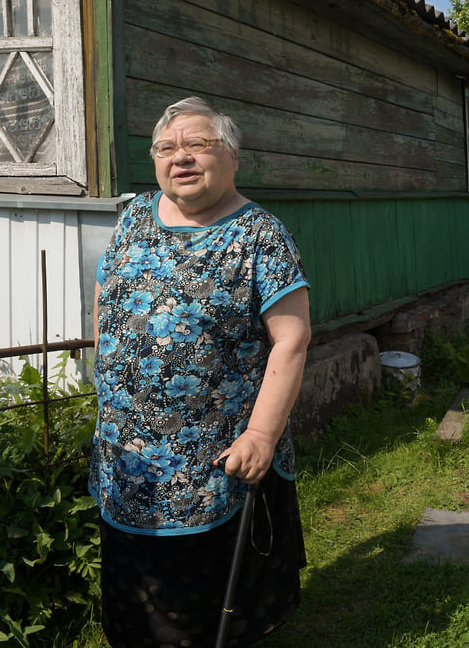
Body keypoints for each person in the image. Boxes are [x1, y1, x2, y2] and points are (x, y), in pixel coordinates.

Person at [89, 96, 311, 647]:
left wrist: (261, 434)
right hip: (127, 452)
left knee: (200, 607)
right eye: (167, 148)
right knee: (132, 589)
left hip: (211, 459)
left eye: (198, 145)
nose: (180, 158)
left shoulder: (260, 236)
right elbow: (105, 295)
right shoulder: (134, 216)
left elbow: (292, 339)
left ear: (232, 157)